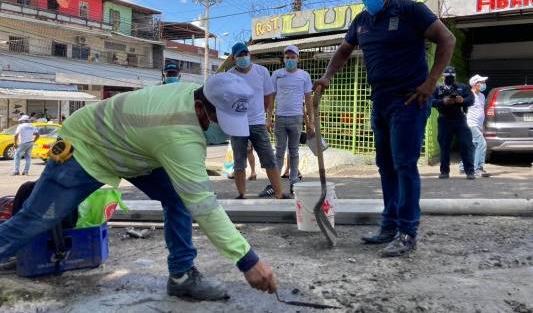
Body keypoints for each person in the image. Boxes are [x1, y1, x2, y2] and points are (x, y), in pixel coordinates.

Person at [0, 73, 277, 300]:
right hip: (86, 146)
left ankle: (181, 276)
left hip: (135, 150)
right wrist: (247, 260)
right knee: (37, 219)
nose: (222, 131)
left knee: (177, 197)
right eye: (219, 121)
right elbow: (204, 205)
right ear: (200, 106)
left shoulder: (198, 94)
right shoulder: (177, 134)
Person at [314, 0, 455, 257]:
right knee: (386, 165)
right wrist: (327, 76)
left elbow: (447, 39)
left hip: (409, 100)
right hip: (379, 100)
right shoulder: (362, 20)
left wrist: (431, 83)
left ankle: (407, 231)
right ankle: (389, 224)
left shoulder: (411, 11)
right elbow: (342, 51)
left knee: (404, 165)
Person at [229, 42, 285, 199]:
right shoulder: (230, 75)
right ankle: (241, 194)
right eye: (239, 55)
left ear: (249, 54)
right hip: (237, 125)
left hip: (258, 123)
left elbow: (268, 97)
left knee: (269, 159)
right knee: (239, 162)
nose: (243, 57)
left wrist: (266, 117)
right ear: (234, 58)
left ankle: (279, 193)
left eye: (245, 53)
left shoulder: (262, 72)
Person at [269, 45, 313, 195]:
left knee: (294, 152)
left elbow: (308, 100)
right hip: (280, 118)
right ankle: (274, 184)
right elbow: (271, 97)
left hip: (296, 118)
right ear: (283, 59)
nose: (289, 60)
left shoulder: (304, 76)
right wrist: (268, 118)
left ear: (298, 59)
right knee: (279, 152)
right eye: (287, 57)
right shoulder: (276, 74)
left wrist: (310, 122)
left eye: (292, 57)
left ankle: (294, 182)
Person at [432, 66, 475, 180]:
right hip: (444, 119)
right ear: (443, 76)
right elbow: (430, 101)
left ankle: (470, 172)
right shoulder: (437, 88)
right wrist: (443, 101)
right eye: (447, 76)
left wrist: (462, 101)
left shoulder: (462, 87)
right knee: (444, 146)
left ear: (455, 76)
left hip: (459, 119)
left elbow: (471, 100)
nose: (450, 78)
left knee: (465, 144)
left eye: (452, 76)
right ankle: (444, 171)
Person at [467, 74, 490, 177]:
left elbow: (481, 111)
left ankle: (464, 167)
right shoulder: (468, 95)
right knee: (482, 143)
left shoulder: (482, 96)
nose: (484, 84)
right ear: (475, 84)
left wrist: (482, 125)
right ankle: (477, 168)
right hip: (471, 124)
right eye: (482, 82)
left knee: (474, 146)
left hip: (478, 125)